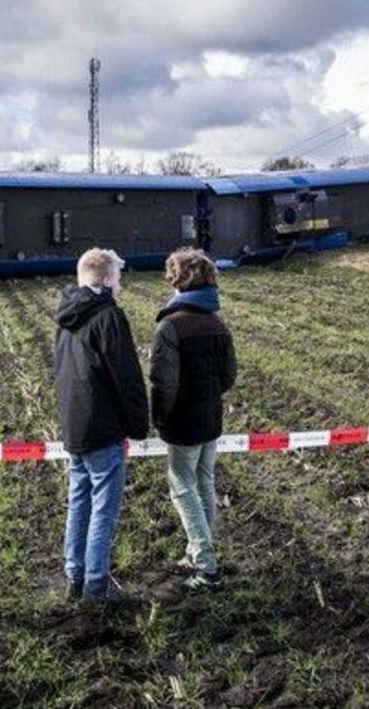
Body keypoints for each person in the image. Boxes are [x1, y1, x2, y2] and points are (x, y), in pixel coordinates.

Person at [54, 247, 149, 604]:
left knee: (78, 501)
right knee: (103, 509)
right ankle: (96, 585)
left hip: (75, 427)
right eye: (119, 279)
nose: (121, 285)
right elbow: (126, 376)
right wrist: (139, 424)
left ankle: (74, 575)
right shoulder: (109, 317)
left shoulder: (66, 319)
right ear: (107, 280)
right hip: (103, 427)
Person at [149, 248, 237, 591]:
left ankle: (206, 565)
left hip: (182, 422)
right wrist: (209, 395)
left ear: (176, 281)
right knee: (204, 483)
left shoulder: (170, 326)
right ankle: (197, 552)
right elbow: (229, 374)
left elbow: (163, 382)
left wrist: (160, 418)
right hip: (210, 418)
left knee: (182, 489)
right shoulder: (217, 323)